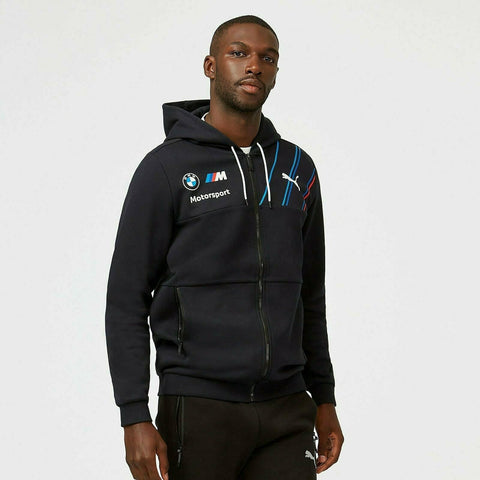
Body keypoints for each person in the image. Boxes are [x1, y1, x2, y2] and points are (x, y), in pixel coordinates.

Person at [105, 14, 344, 480]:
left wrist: (325, 397)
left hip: (287, 408)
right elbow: (126, 298)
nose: (254, 65)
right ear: (211, 66)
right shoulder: (166, 169)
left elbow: (309, 295)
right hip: (200, 407)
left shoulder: (297, 168)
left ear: (276, 71)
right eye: (239, 53)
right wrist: (134, 414)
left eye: (267, 57)